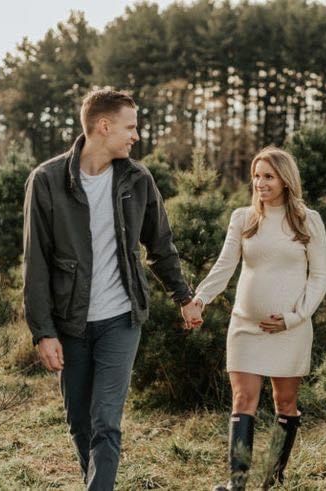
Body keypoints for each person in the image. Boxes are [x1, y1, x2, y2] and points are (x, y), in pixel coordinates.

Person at [22, 89, 203, 490]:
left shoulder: (137, 179)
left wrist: (184, 297)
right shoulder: (47, 181)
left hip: (121, 320)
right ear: (104, 127)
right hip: (70, 325)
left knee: (106, 422)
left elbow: (160, 245)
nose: (136, 136)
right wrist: (44, 331)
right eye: (130, 127)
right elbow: (35, 263)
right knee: (80, 423)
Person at [193, 146, 326, 491]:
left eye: (268, 176)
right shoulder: (243, 218)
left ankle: (272, 480)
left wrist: (294, 318)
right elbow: (226, 266)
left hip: (289, 329)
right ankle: (236, 483)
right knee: (243, 400)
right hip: (245, 325)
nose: (259, 183)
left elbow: (320, 277)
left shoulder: (306, 220)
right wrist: (199, 298)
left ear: (285, 180)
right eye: (256, 176)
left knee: (285, 402)